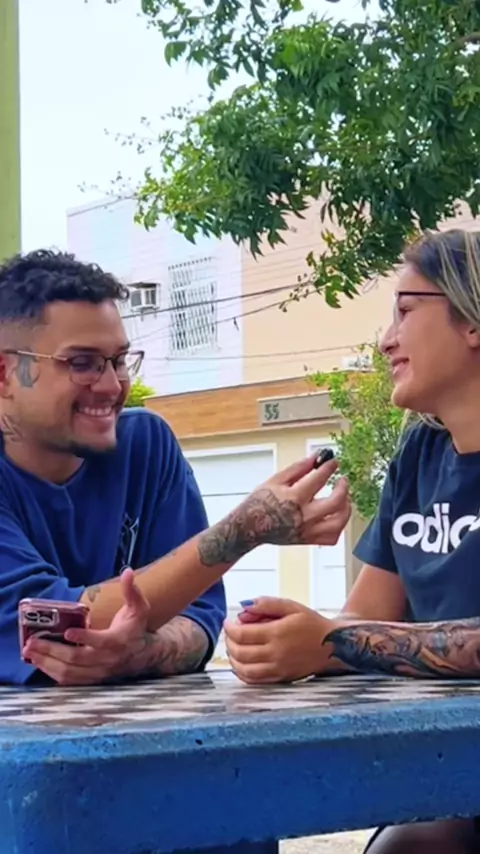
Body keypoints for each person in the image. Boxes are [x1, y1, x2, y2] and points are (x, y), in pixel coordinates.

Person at [224, 228, 480, 853]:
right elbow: (365, 618)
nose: (386, 339)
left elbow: (355, 638)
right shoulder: (419, 453)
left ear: (472, 320)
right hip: (447, 766)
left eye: (405, 310)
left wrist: (331, 641)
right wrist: (287, 636)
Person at [0, 249, 351, 687]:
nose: (111, 385)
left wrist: (141, 655)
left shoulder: (146, 445)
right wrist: (241, 531)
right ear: (5, 374)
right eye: (82, 363)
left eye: (119, 361)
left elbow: (200, 617)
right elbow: (58, 621)